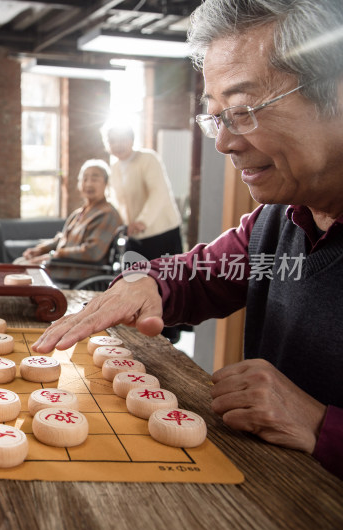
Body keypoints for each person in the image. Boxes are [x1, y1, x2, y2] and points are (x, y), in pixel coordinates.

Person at [32, 0, 343, 479]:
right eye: (216, 116)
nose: (223, 142)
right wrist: (150, 282)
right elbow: (201, 272)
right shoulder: (277, 221)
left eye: (243, 110)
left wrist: (322, 425)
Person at [16, 160, 123, 281]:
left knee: (23, 270)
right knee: (21, 263)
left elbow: (92, 252)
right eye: (84, 179)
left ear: (106, 183)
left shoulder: (107, 214)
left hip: (79, 269)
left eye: (94, 179)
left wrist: (53, 255)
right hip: (61, 263)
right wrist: (40, 250)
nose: (88, 184)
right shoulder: (78, 213)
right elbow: (62, 239)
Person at [105, 125, 183, 261]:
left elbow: (158, 192)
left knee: (165, 278)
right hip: (134, 235)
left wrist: (143, 221)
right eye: (113, 141)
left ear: (132, 140)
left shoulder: (148, 159)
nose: (118, 145)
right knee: (133, 277)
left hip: (161, 231)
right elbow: (117, 201)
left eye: (122, 139)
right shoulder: (115, 168)